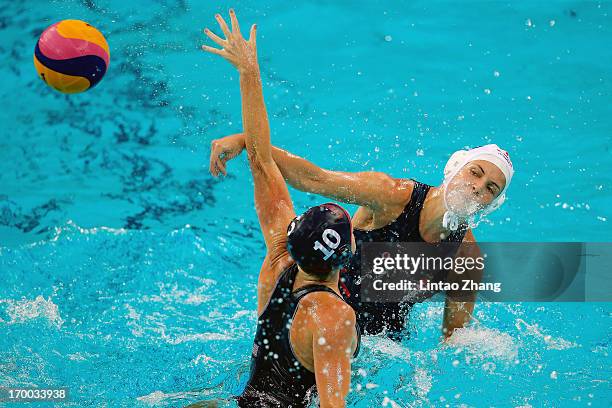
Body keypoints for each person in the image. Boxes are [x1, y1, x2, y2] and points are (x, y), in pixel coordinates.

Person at [198, 10, 361, 407]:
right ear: (348, 254)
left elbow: (261, 159)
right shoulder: (332, 321)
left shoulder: (278, 263)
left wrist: (248, 71)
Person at [209, 135, 513, 342]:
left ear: (492, 204)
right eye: (475, 173)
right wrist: (247, 141)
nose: (478, 187)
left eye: (491, 188)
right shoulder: (392, 196)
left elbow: (453, 340)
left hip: (381, 351)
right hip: (317, 317)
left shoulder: (467, 258)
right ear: (455, 168)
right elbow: (313, 178)